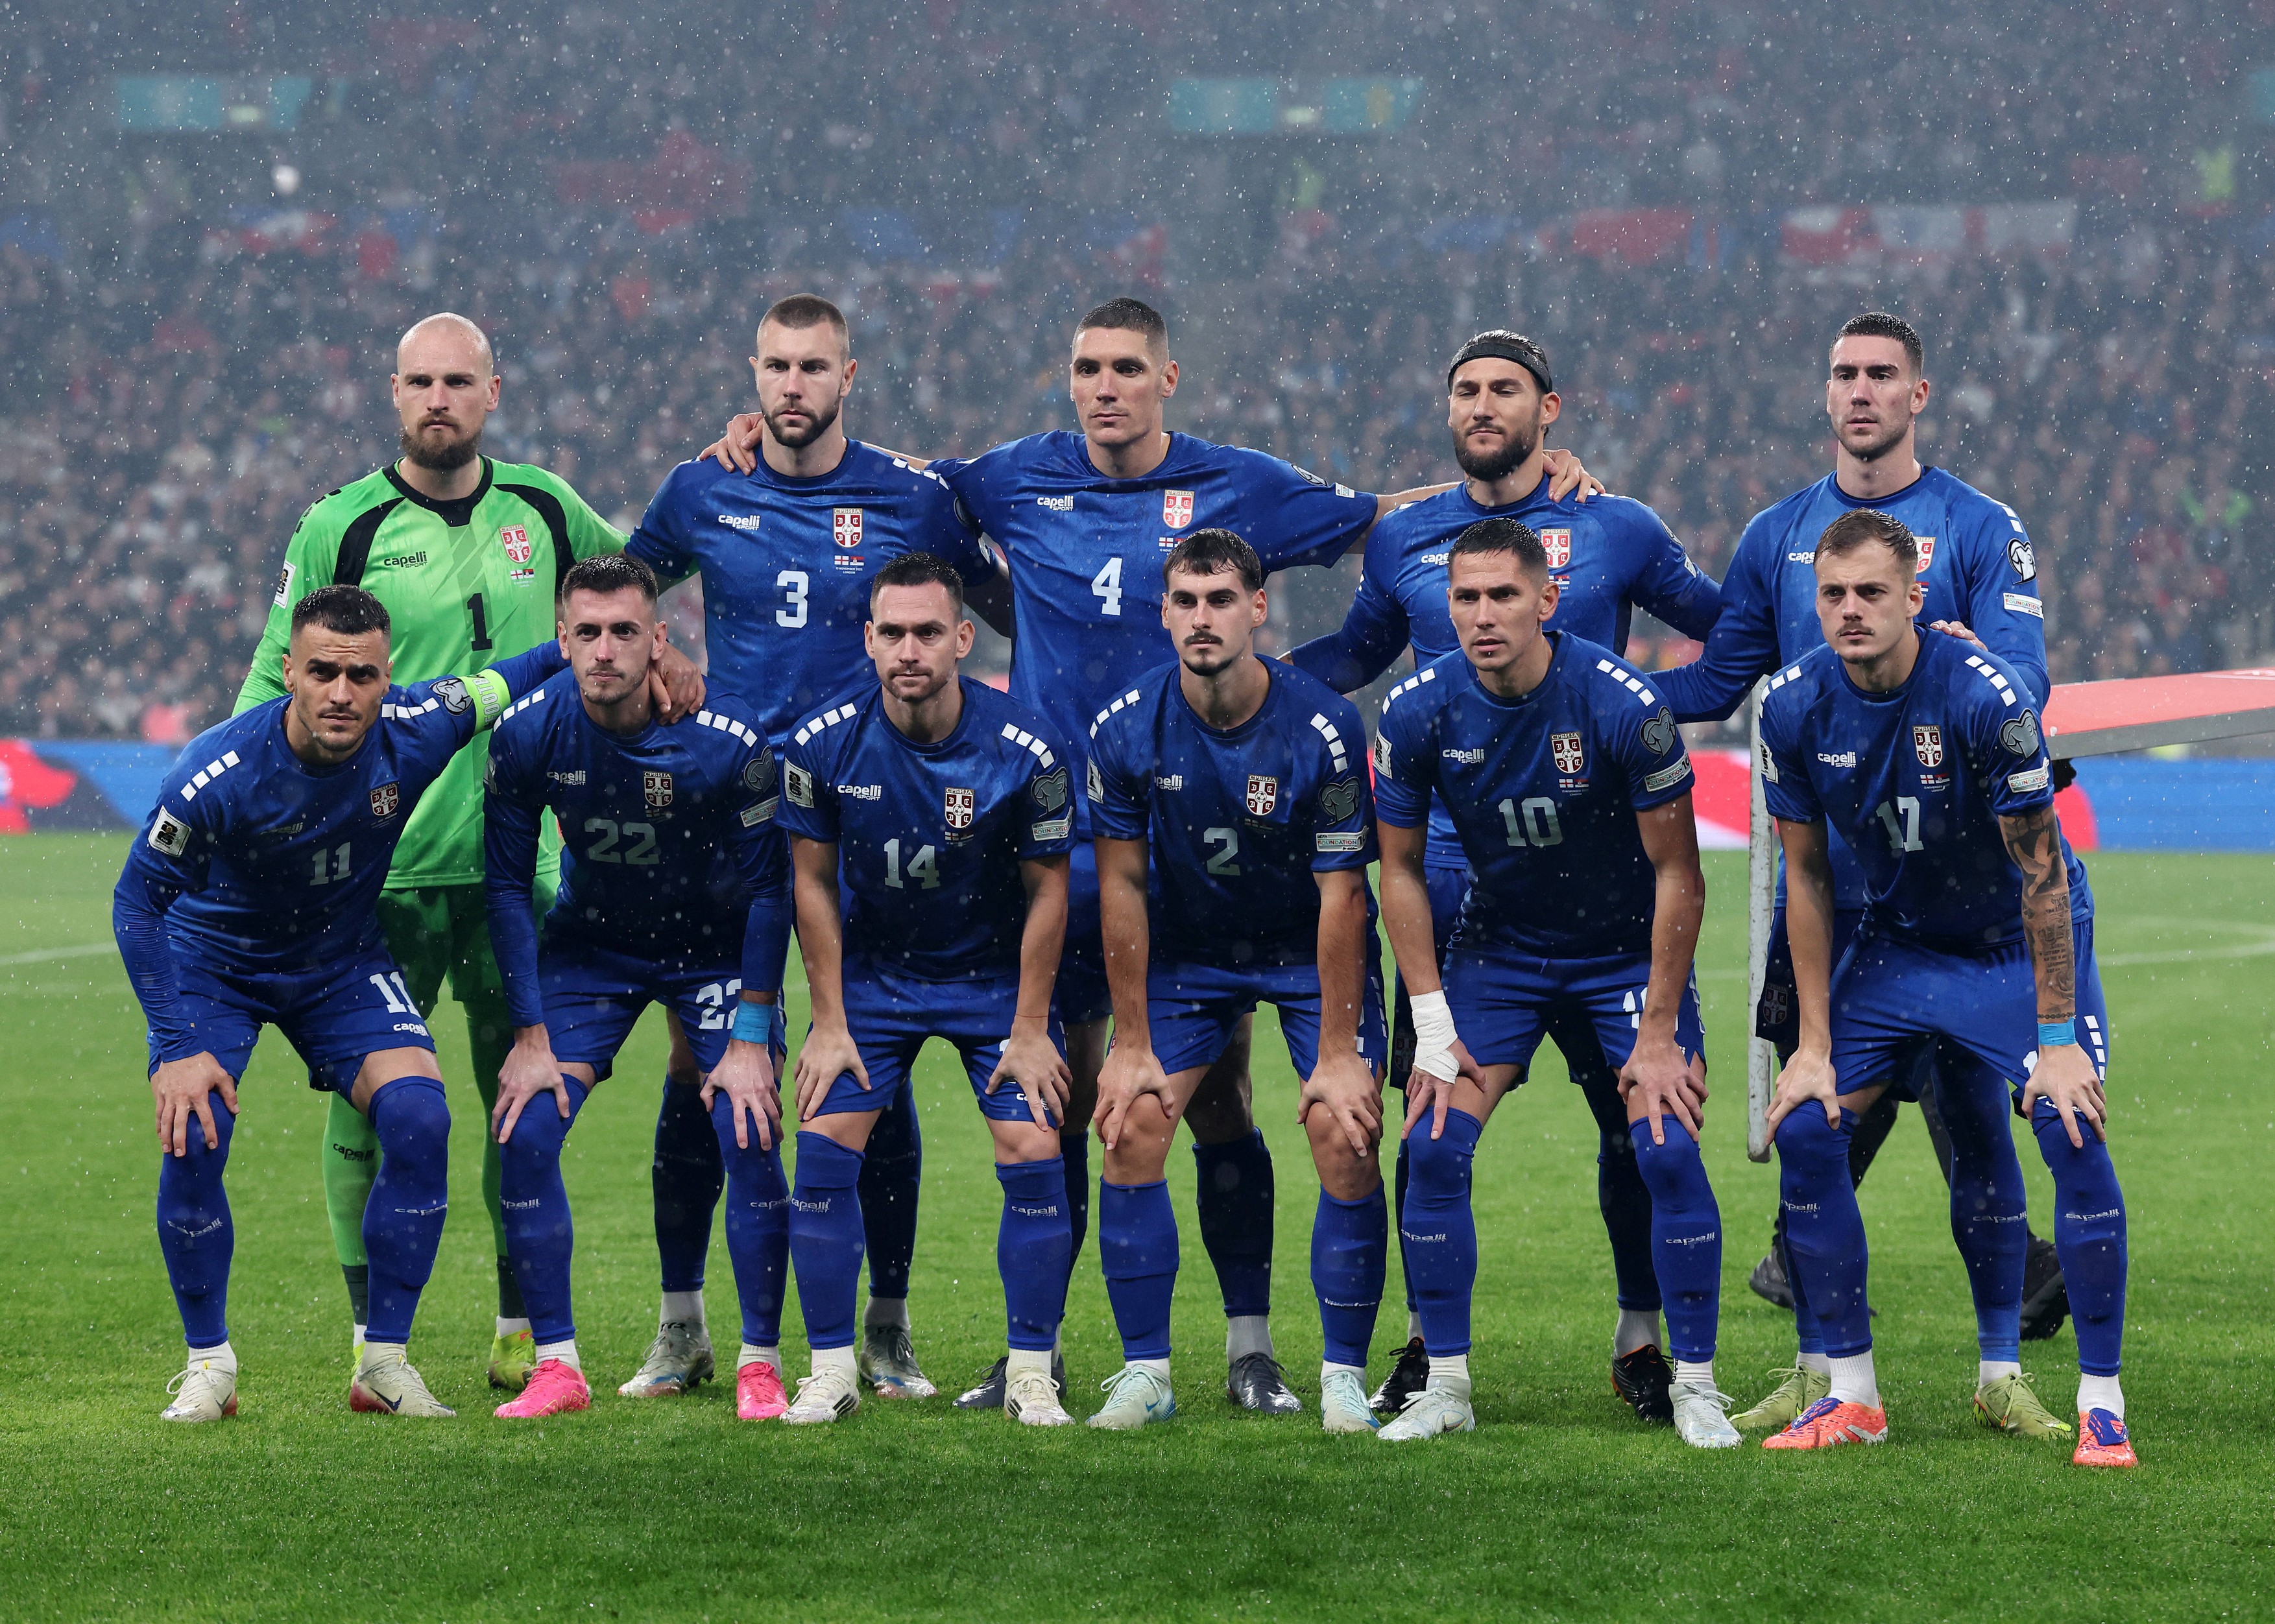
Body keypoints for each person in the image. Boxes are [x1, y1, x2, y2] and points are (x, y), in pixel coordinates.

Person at [702, 296, 1601, 1411]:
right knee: (1075, 1096)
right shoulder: (1005, 478)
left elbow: (1384, 513)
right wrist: (755, 435)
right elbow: (883, 478)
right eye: (1087, 367)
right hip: (1053, 847)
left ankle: (1250, 1346)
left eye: (1128, 367)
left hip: (1198, 849)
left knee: (1220, 1101)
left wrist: (1524, 479)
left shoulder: (1242, 485)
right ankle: (1042, 1355)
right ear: (1068, 379)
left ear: (1167, 379)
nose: (1105, 386)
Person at [234, 312, 701, 1392]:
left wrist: (677, 649)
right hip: (378, 870)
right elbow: (273, 679)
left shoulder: (544, 504)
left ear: (494, 392)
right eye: (420, 383)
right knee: (366, 1101)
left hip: (522, 862)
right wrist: (261, 811)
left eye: (459, 382)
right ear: (392, 394)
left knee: (516, 1099)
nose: (438, 399)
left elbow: (635, 582)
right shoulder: (339, 528)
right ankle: (368, 1341)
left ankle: (512, 1329)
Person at [1288, 329, 1721, 1422]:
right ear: (1449, 414)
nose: (1484, 407)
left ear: (1550, 407)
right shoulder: (1407, 535)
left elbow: (1732, 633)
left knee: (1633, 1122)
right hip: (1448, 882)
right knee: (1428, 1113)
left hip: (1600, 870)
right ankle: (1434, 1349)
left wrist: (1655, 716)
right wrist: (1250, 686)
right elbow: (1355, 655)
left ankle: (1642, 1339)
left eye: (1505, 391)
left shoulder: (1615, 525)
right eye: (1467, 392)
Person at [1649, 311, 2067, 1431]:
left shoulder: (1979, 530)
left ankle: (1996, 1357)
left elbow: (2022, 685)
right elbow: (1717, 681)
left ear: (1919, 394)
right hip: (1824, 891)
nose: (1862, 391)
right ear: (1824, 394)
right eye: (1844, 374)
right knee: (1813, 1108)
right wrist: (1589, 679)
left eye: (1883, 374)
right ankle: (1821, 1364)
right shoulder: (1777, 534)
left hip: (1951, 889)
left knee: (1972, 1118)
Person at [625, 293, 1014, 1403]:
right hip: (729, 812)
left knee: (870, 1068)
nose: (792, 386)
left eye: (814, 367)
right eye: (776, 367)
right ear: (752, 375)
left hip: (867, 815)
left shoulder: (909, 496)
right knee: (703, 1066)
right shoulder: (704, 486)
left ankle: (883, 1333)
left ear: (853, 377)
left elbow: (1003, 597)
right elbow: (614, 594)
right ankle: (681, 1326)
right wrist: (659, 659)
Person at [118, 586, 562, 1421]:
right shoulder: (217, 773)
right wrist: (175, 1046)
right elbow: (135, 906)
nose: (341, 693)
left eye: (362, 676)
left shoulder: (418, 726)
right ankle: (209, 1365)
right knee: (195, 1133)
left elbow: (509, 676)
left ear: (387, 679)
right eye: (322, 671)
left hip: (337, 963)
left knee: (421, 1120)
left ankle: (382, 1363)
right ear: (289, 671)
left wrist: (578, 646)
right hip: (217, 964)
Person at [1757, 510, 2133, 1466]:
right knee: (1807, 1124)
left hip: (2013, 945)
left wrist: (2055, 1039)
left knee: (2068, 1121)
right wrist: (1810, 1042)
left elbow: (2042, 874)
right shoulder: (1794, 706)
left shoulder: (1983, 695)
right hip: (1898, 946)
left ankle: (2100, 1400)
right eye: (1834, 595)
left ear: (1914, 598)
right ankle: (1853, 1394)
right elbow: (1806, 879)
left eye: (1872, 593)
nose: (1851, 610)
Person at [1370, 519, 1733, 1446]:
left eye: (1502, 596)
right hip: (1501, 949)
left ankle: (1693, 1380)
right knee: (1437, 1142)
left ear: (1547, 601)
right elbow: (1400, 872)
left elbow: (1679, 876)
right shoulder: (1415, 710)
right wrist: (1429, 1016)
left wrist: (1659, 1031)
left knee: (1664, 1144)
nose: (1483, 616)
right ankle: (1444, 1383)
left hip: (1620, 953)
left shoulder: (1622, 704)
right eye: (1465, 598)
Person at [1085, 530, 1388, 1431]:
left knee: (1344, 1129)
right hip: (1189, 956)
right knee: (1132, 1126)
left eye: (1221, 599)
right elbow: (1122, 887)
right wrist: (1131, 1040)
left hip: (1304, 952)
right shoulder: (1125, 727)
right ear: (1164, 612)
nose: (1202, 618)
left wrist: (1337, 1052)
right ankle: (1148, 1374)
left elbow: (1344, 898)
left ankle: (1340, 1377)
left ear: (1259, 608)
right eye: (1185, 600)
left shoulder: (1323, 724)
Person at [481, 555, 794, 1422]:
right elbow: (506, 887)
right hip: (596, 951)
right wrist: (530, 1037)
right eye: (588, 633)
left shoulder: (729, 739)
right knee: (525, 1125)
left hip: (716, 951)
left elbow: (774, 890)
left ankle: (757, 1364)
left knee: (747, 1120)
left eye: (625, 631)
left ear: (661, 638)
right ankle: (557, 1367)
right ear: (562, 641)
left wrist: (750, 1037)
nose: (606, 650)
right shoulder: (527, 734)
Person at [774, 553, 1077, 1426]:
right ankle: (830, 1370)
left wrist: (1030, 1028)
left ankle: (1030, 1372)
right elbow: (813, 885)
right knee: (824, 1150)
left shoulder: (1027, 747)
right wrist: (828, 1022)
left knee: (1031, 1153)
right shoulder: (824, 742)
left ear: (962, 639)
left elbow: (1049, 890)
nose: (911, 650)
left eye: (928, 632)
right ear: (869, 641)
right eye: (894, 633)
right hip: (875, 980)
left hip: (991, 981)